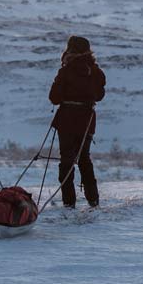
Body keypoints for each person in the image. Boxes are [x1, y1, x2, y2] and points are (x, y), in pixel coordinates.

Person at [48, 35, 106, 208]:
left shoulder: (65, 71)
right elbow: (100, 96)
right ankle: (93, 199)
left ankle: (69, 202)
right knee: (84, 159)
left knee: (66, 160)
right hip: (87, 119)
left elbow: (54, 98)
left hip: (66, 119)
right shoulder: (96, 71)